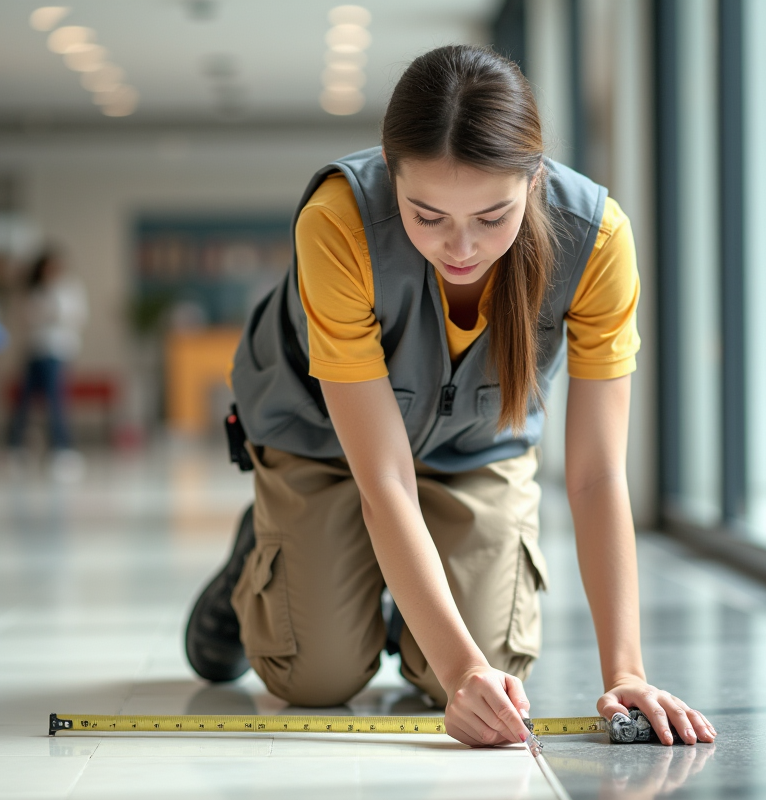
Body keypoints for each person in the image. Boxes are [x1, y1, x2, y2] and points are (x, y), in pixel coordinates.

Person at [186, 45, 715, 748]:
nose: (461, 247)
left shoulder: (596, 240)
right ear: (390, 172)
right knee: (315, 678)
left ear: (534, 180)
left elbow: (593, 476)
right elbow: (384, 481)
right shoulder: (337, 220)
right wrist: (462, 665)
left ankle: (383, 578)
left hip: (477, 445)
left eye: (493, 217)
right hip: (326, 443)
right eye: (426, 215)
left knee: (483, 682)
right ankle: (258, 561)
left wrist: (625, 671)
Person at [5, 248, 88, 480]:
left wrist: (52, 311)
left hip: (58, 351)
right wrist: (49, 312)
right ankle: (16, 447)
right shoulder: (31, 290)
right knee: (23, 401)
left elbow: (75, 316)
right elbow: (27, 317)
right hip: (34, 349)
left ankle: (62, 450)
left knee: (55, 401)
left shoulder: (69, 288)